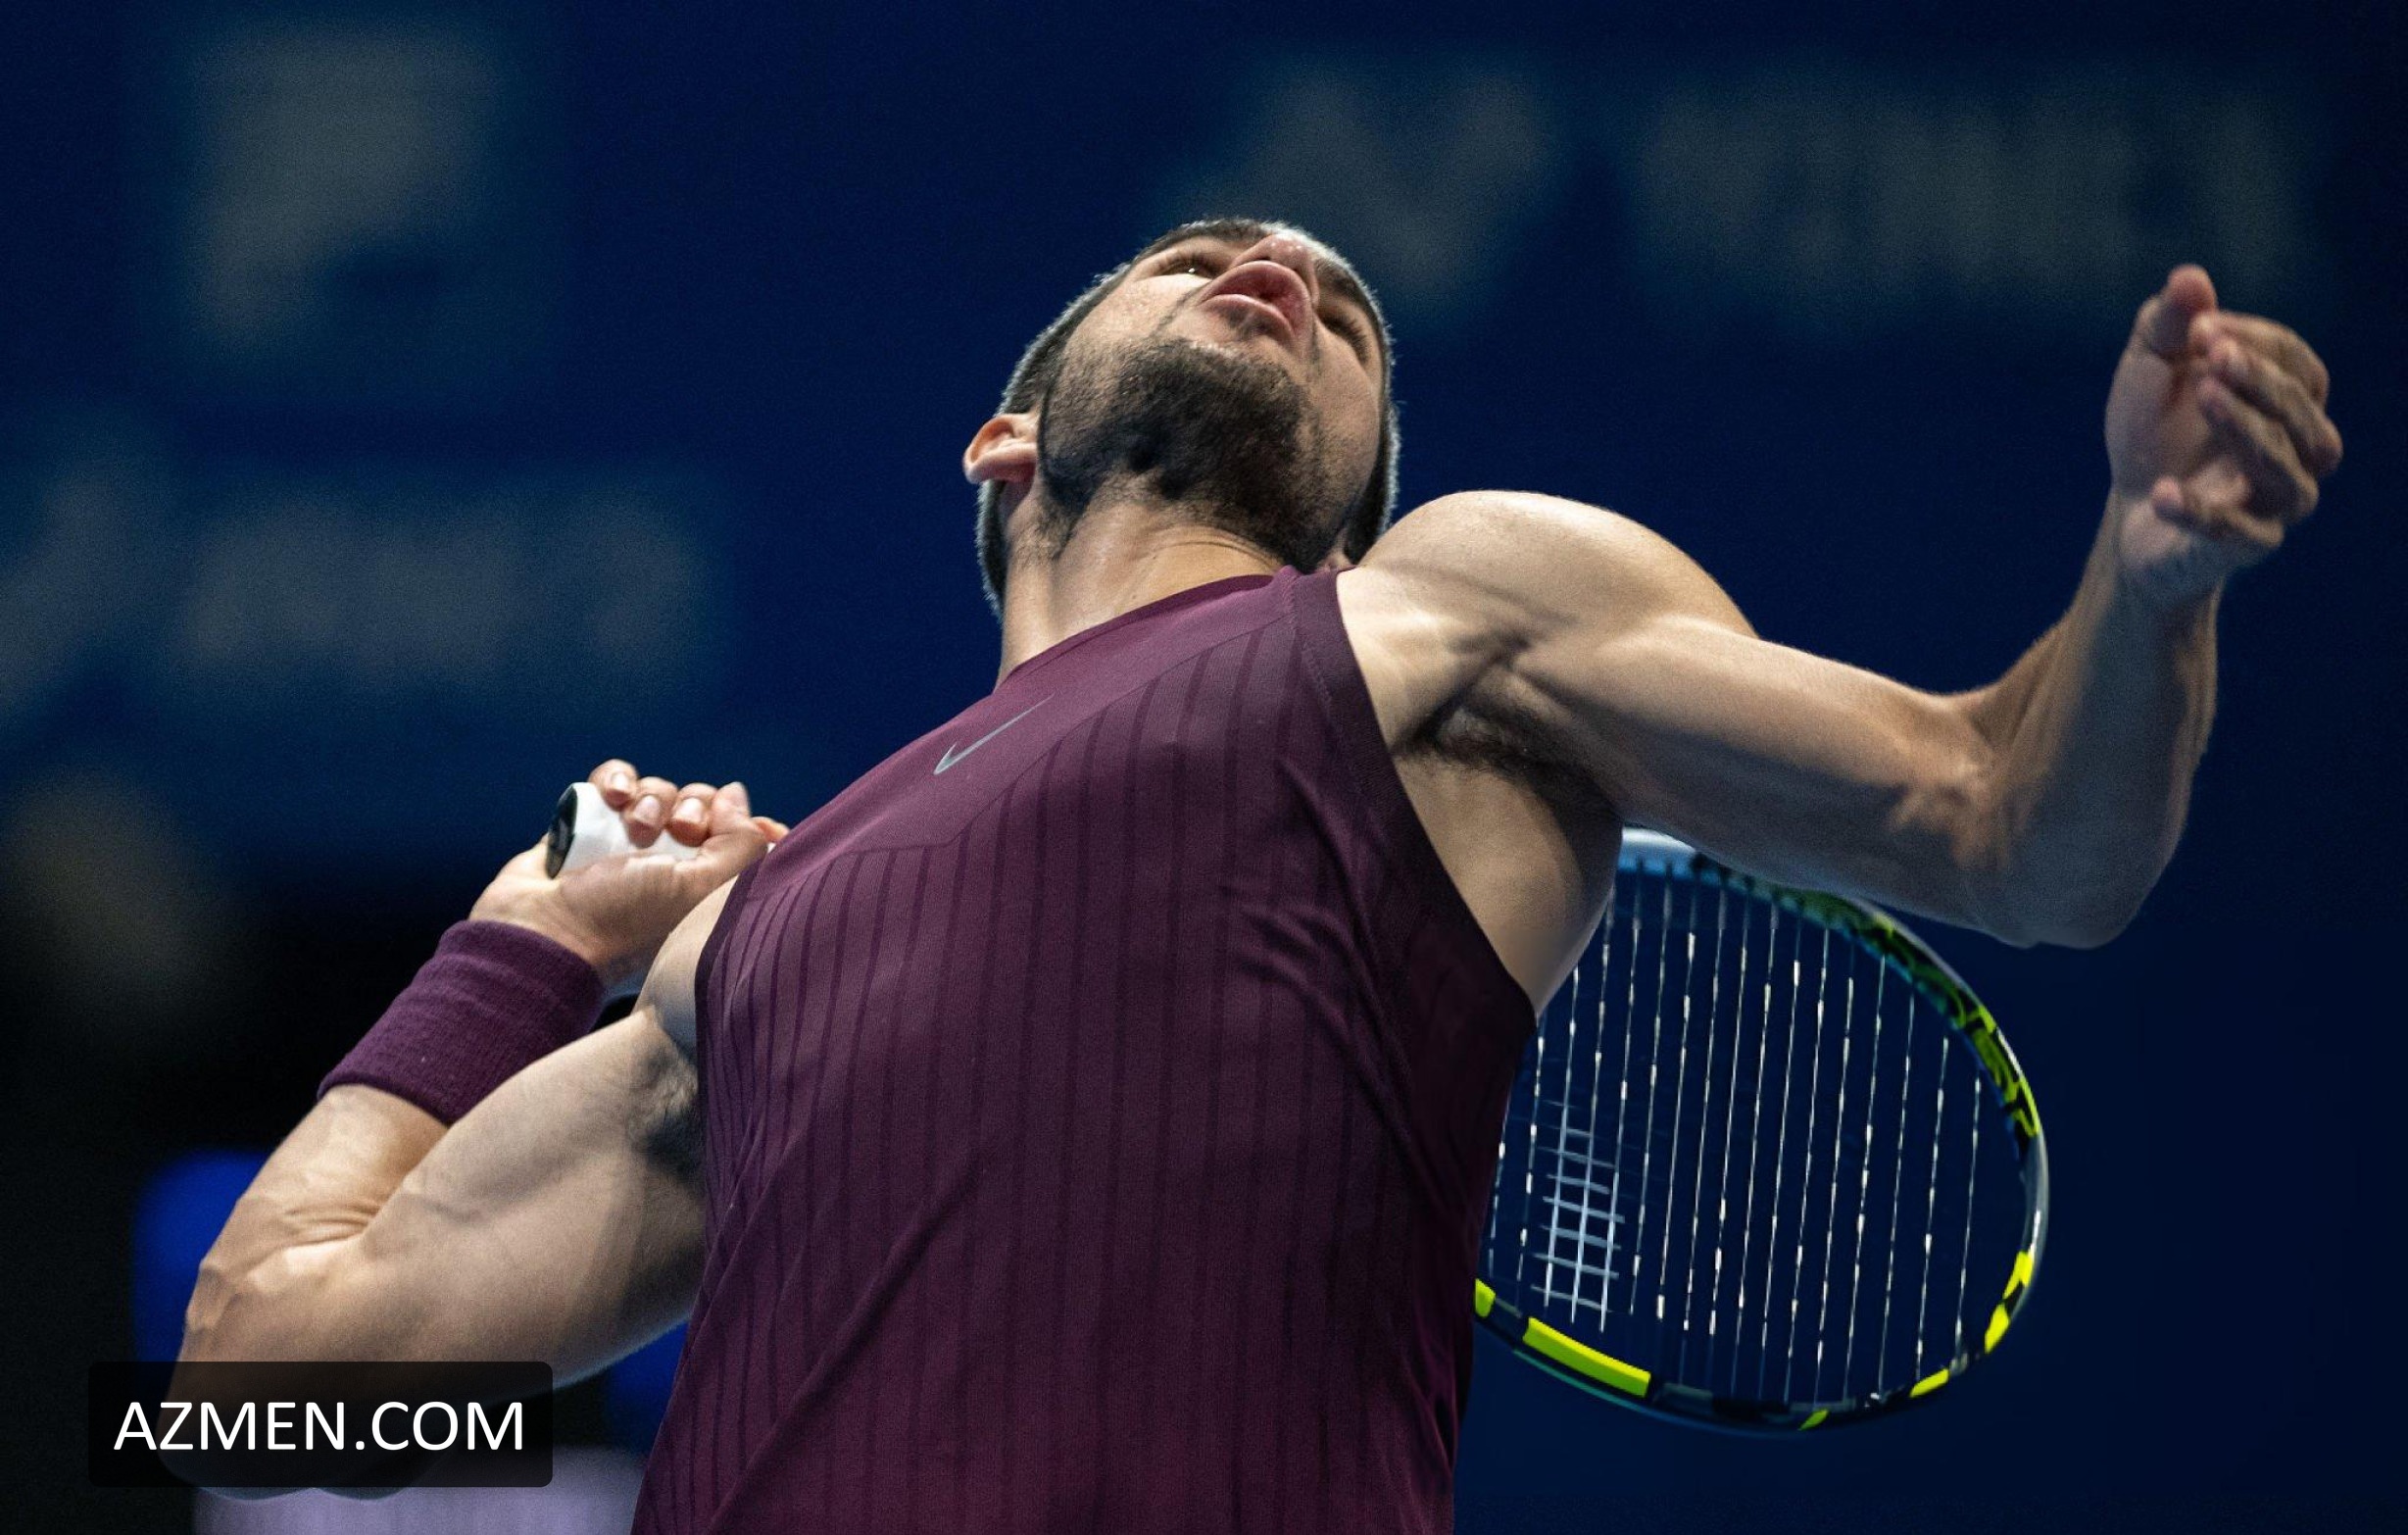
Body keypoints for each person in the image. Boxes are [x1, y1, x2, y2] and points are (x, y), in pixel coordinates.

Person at [179, 219, 2340, 1532]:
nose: (1283, 267)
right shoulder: (741, 942)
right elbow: (262, 1388)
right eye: (1198, 256)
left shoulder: (1445, 616)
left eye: (1345, 321)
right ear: (1006, 442)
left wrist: (2146, 582)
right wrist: (524, 937)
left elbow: (2009, 832)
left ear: (1352, 505)